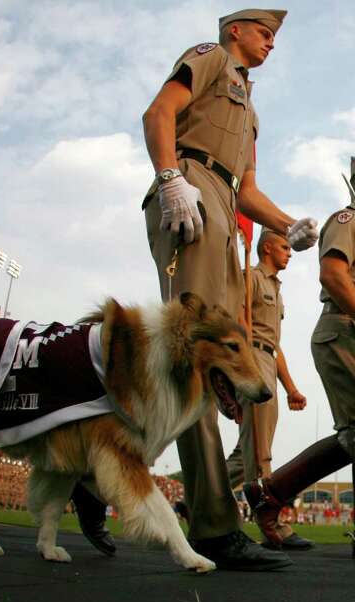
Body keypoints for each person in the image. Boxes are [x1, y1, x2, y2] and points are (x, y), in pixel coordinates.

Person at [137, 7, 319, 571]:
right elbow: (159, 112)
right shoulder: (211, 58)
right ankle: (215, 525)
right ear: (235, 30)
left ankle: (98, 483)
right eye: (264, 32)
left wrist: (287, 224)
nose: (271, 43)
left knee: (203, 364)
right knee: (193, 355)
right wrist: (170, 177)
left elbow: (249, 188)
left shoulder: (251, 111)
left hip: (222, 197)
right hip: (190, 186)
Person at [243, 157, 355, 561]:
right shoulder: (348, 219)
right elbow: (332, 275)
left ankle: (269, 493)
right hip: (346, 331)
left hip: (352, 332)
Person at [225, 229, 312, 549]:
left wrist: (290, 388)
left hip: (267, 358)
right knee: (260, 451)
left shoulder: (275, 287)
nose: (290, 253)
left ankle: (201, 496)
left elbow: (274, 344)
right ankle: (271, 523)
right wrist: (242, 370)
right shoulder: (250, 277)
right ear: (266, 248)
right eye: (285, 247)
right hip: (250, 359)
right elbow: (238, 322)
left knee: (245, 452)